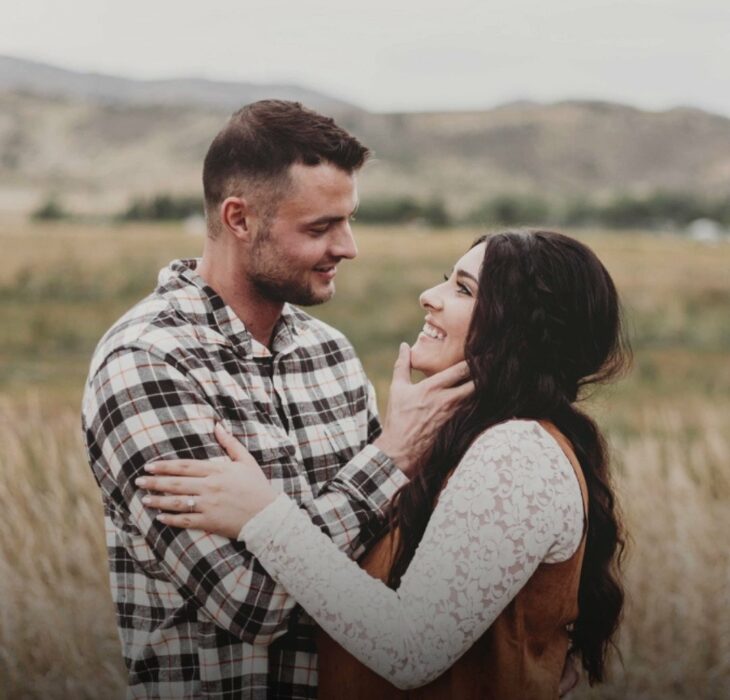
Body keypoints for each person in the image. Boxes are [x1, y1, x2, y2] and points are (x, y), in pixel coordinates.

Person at [82, 100, 472, 699]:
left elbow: (386, 561)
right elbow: (248, 602)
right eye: (319, 228)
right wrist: (389, 460)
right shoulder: (147, 365)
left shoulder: (332, 355)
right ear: (239, 219)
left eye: (347, 220)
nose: (348, 247)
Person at [139, 229, 628, 699]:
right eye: (446, 278)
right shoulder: (479, 442)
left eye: (463, 290)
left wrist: (263, 515)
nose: (429, 296)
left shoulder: (517, 453)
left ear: (519, 330)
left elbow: (410, 647)